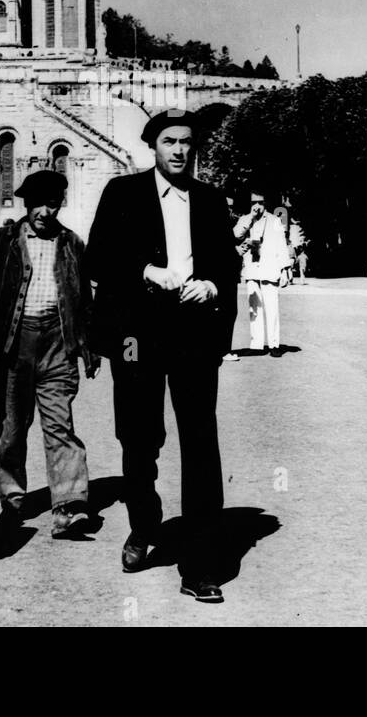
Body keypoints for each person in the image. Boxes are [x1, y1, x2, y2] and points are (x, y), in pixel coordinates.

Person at [86, 108, 239, 604]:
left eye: (188, 142)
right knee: (138, 437)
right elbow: (99, 260)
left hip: (194, 334)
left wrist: (213, 286)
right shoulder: (123, 193)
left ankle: (200, 564)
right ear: (153, 146)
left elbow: (227, 266)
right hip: (138, 336)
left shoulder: (212, 201)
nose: (180, 151)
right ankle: (144, 527)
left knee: (200, 442)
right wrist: (148, 272)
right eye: (170, 141)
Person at [0, 169, 98, 538]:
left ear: (60, 204)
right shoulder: (0, 241)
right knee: (12, 428)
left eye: (52, 203)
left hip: (57, 343)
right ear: (25, 204)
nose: (44, 211)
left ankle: (70, 507)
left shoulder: (71, 243)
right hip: (12, 344)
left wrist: (88, 347)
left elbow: (84, 301)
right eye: (37, 203)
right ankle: (13, 499)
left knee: (60, 424)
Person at [225, 188, 291, 360]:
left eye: (260, 203)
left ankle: (274, 344)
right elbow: (235, 235)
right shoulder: (245, 219)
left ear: (265, 203)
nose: (257, 206)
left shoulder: (275, 220)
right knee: (254, 307)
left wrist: (285, 269)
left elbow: (281, 245)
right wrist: (249, 219)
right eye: (254, 202)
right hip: (252, 268)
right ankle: (256, 344)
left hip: (270, 267)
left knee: (272, 307)